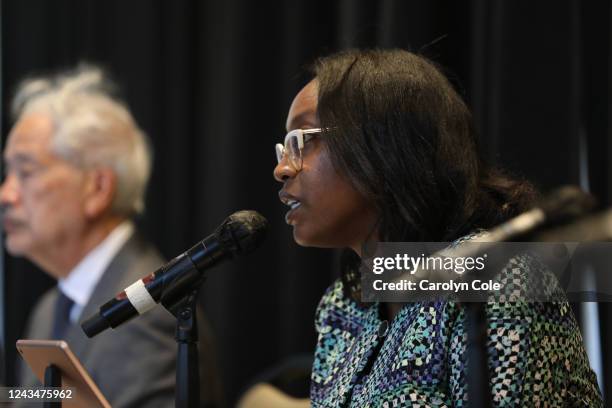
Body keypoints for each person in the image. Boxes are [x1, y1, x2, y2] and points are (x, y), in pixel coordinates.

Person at [273, 49, 603, 406]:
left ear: (384, 144)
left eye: (302, 140)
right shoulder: (342, 306)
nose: (283, 169)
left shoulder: (496, 276)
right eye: (283, 149)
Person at [0, 66, 221, 407]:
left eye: (25, 172)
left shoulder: (149, 314)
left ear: (98, 188)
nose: (6, 195)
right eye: (7, 174)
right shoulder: (49, 309)